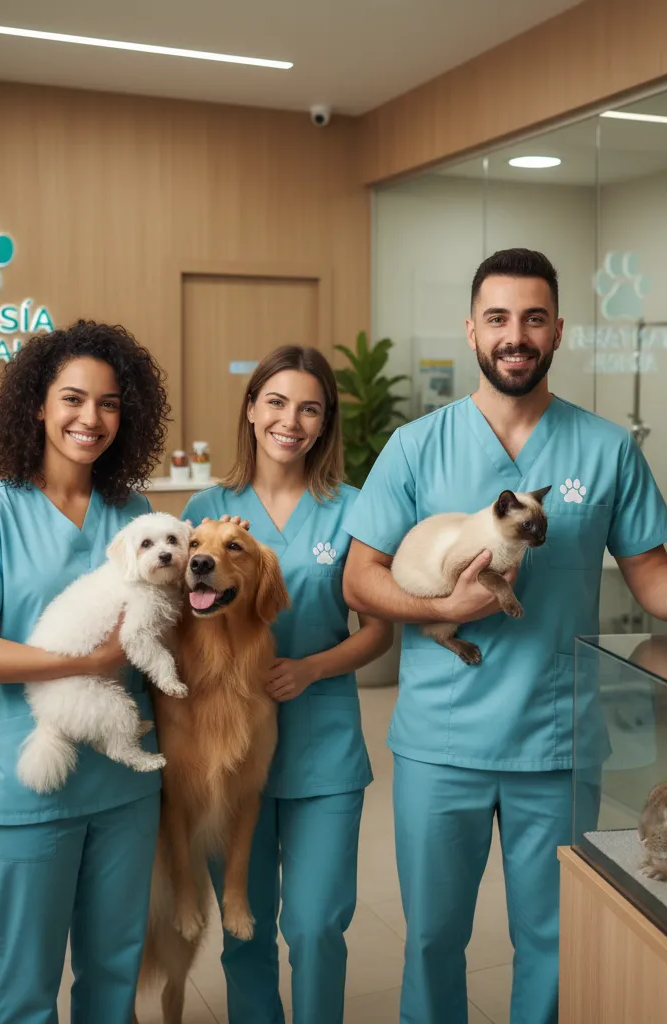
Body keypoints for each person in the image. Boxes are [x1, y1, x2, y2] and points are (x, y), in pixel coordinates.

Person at [341, 248, 667, 1024]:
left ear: (558, 331)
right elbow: (359, 578)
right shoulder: (416, 447)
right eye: (500, 318)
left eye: (534, 318)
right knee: (433, 939)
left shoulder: (605, 448)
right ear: (471, 329)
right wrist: (444, 612)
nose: (516, 335)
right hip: (442, 742)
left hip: (558, 742)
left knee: (554, 939)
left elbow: (649, 572)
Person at [0, 320, 172, 1024]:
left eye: (108, 404)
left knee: (112, 980)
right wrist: (87, 660)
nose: (89, 419)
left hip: (124, 793)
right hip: (28, 796)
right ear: (38, 404)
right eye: (72, 399)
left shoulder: (136, 518)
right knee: (26, 990)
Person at [182, 345, 393, 1024]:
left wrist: (312, 667)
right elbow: (175, 622)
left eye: (309, 408)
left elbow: (379, 631)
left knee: (316, 925)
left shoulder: (354, 508)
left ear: (325, 422)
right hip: (229, 752)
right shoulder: (207, 512)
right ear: (250, 410)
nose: (290, 421)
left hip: (321, 748)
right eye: (275, 402)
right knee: (244, 931)